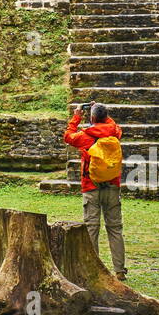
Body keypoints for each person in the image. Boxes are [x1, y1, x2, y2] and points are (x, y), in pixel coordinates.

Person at [63, 101, 126, 280]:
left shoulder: (85, 136)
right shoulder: (115, 132)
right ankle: (120, 270)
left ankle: (94, 270)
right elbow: (114, 126)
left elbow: (68, 136)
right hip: (112, 184)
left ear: (92, 118)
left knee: (92, 227)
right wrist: (100, 112)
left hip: (91, 185)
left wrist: (77, 116)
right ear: (106, 117)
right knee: (115, 228)